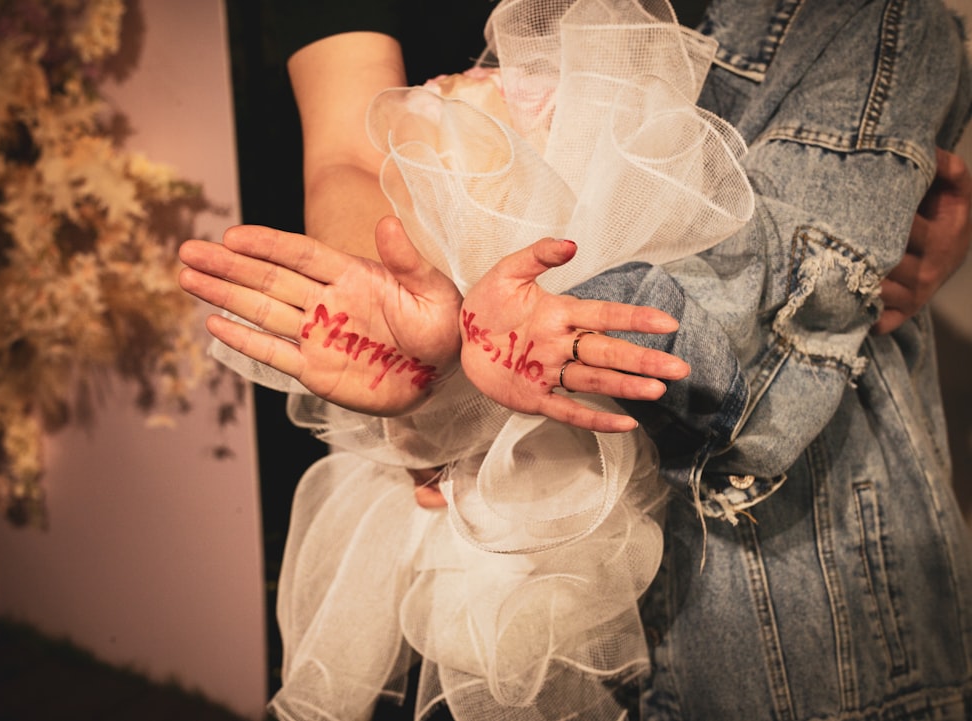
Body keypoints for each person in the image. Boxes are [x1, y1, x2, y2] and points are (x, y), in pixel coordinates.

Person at [179, 1, 972, 719]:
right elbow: (351, 152)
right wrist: (425, 345)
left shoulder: (862, 19)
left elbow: (783, 318)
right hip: (499, 538)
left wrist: (581, 321)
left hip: (780, 575)